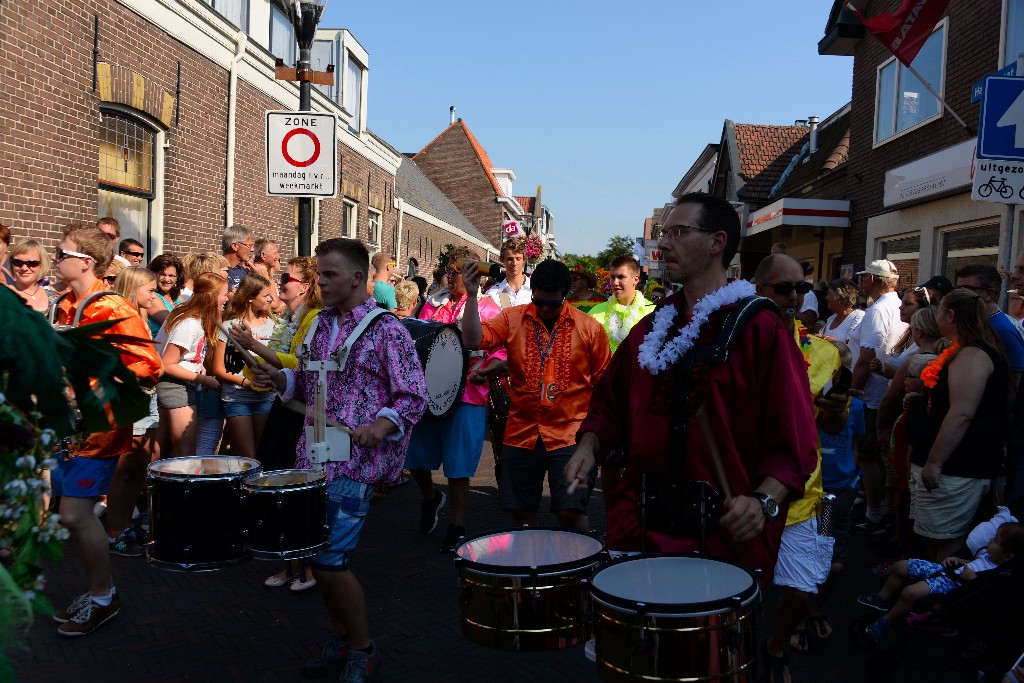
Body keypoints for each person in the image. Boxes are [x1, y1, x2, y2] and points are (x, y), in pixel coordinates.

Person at [564, 192, 818, 576]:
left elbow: (796, 443)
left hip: (720, 539)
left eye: (678, 232)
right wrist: (589, 445)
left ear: (717, 242)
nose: (664, 243)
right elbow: (609, 405)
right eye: (664, 232)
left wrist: (763, 501)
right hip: (641, 528)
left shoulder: (761, 330)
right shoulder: (652, 328)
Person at [250, 238, 427, 682]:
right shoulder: (318, 326)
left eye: (329, 275)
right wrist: (280, 378)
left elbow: (413, 395)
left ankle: (363, 648)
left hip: (353, 465)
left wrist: (381, 426)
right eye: (318, 275)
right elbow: (307, 383)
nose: (320, 283)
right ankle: (344, 639)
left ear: (357, 277)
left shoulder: (388, 330)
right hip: (312, 455)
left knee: (330, 561)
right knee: (317, 557)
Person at [50, 224, 162, 636]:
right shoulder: (62, 305)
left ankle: (103, 598)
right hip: (68, 428)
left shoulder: (113, 308)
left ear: (85, 261)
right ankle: (98, 592)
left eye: (61, 253)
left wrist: (88, 388)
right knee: (72, 516)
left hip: (99, 430)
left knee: (76, 514)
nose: (55, 259)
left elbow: (148, 367)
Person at [462, 259, 610, 531]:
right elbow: (473, 340)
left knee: (571, 513)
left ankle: (580, 571)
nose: (543, 308)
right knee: (522, 518)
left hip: (569, 436)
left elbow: (605, 387)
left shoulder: (589, 329)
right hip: (522, 434)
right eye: (538, 300)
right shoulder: (513, 318)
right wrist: (472, 296)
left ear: (565, 296)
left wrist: (596, 440)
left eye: (551, 305)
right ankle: (529, 571)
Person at [753, 255, 847, 683]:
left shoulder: (826, 353)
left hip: (801, 489)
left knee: (800, 588)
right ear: (758, 290)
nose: (793, 297)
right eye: (782, 289)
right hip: (743, 487)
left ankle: (775, 644)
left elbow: (832, 424)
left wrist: (836, 411)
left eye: (799, 289)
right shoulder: (735, 345)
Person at [229, 257, 322, 592]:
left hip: (302, 410)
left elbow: (302, 363)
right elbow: (284, 363)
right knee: (277, 476)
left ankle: (306, 565)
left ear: (306, 286)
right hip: (285, 406)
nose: (280, 282)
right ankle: (288, 561)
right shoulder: (288, 318)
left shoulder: (314, 318)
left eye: (288, 278)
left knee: (295, 481)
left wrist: (257, 348)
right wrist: (254, 363)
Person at [405, 247, 506, 551]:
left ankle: (457, 524)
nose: (448, 277)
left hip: (468, 395)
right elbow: (419, 340)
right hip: (429, 394)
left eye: (454, 271)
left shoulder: (489, 309)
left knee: (458, 466)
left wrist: (486, 370)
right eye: (448, 271)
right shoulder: (433, 307)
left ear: (472, 273)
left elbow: (500, 350)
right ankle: (430, 497)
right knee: (415, 458)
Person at [906, 288, 1010, 562]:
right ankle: (931, 593)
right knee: (931, 537)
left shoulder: (974, 355)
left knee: (945, 544)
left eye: (939, 310)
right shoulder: (961, 351)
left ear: (950, 315)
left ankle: (941, 600)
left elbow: (962, 413)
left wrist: (934, 463)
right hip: (947, 468)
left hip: (955, 469)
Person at [858, 522, 1024, 643]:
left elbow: (988, 593)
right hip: (948, 570)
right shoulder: (986, 555)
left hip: (953, 583)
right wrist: (959, 559)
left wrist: (972, 580)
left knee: (910, 592)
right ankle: (882, 597)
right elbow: (972, 562)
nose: (989, 541)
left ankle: (886, 621)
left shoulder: (998, 573)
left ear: (1008, 556)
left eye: (995, 541)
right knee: (901, 566)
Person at [586, 255, 656, 510]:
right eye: (612, 277)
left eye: (621, 277)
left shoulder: (653, 314)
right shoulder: (596, 314)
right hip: (608, 401)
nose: (615, 282)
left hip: (642, 400)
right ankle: (613, 518)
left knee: (641, 462)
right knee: (610, 464)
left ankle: (639, 521)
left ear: (636, 279)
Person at [105, 266, 161, 557]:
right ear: (134, 287)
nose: (155, 295)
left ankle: (124, 524)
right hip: (132, 396)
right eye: (150, 290)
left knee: (139, 464)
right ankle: (115, 530)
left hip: (148, 396)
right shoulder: (120, 316)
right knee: (126, 467)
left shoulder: (140, 316)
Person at [851, 259, 908, 536]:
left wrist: (853, 391)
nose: (860, 282)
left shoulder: (877, 311)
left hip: (872, 395)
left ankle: (875, 513)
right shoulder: (898, 304)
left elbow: (866, 358)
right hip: (887, 391)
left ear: (873, 280)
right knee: (882, 456)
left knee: (868, 454)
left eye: (863, 278)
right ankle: (881, 509)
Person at [154, 272, 229, 458]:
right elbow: (167, 364)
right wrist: (203, 378)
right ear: (211, 296)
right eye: (224, 294)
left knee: (163, 448)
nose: (227, 298)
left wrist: (199, 367)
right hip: (175, 386)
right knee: (185, 451)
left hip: (177, 384)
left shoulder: (189, 316)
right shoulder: (189, 324)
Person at [210, 273, 276, 459]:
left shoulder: (273, 325)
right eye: (265, 295)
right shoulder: (231, 326)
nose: (270, 299)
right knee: (247, 455)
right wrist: (246, 382)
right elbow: (218, 369)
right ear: (249, 297)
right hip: (237, 398)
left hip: (266, 397)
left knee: (264, 452)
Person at [955, 264, 1024, 391]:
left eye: (965, 289)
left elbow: (1016, 381)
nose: (959, 295)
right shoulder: (979, 324)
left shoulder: (1002, 330)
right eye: (957, 289)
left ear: (988, 293)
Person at [872, 287, 930, 379]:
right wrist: (881, 368)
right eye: (901, 303)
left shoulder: (925, 340)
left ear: (922, 309)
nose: (900, 307)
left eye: (907, 304)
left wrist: (896, 374)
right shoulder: (908, 335)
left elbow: (923, 378)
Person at [145, 253, 185, 338]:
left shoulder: (177, 297)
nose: (167, 279)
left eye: (171, 276)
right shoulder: (153, 297)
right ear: (154, 274)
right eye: (162, 274)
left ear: (177, 277)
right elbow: (171, 323)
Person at [7, 238, 52, 313]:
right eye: (18, 262)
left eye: (32, 263)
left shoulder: (54, 298)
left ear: (42, 264)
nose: (24, 268)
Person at [485, 238, 531, 308]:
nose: (514, 263)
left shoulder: (535, 291)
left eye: (518, 259)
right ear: (502, 260)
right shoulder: (493, 294)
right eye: (510, 259)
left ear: (524, 260)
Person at [820, 278, 864, 350]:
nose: (826, 298)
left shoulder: (858, 316)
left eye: (829, 294)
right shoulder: (831, 319)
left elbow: (849, 347)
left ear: (840, 297)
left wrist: (824, 338)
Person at [252, 238, 283, 314]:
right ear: (263, 255)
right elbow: (276, 305)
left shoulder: (267, 273)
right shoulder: (255, 275)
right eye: (275, 253)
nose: (277, 257)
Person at [222, 224, 254, 292]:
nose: (252, 250)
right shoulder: (218, 271)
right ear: (235, 246)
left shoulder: (246, 272)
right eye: (249, 246)